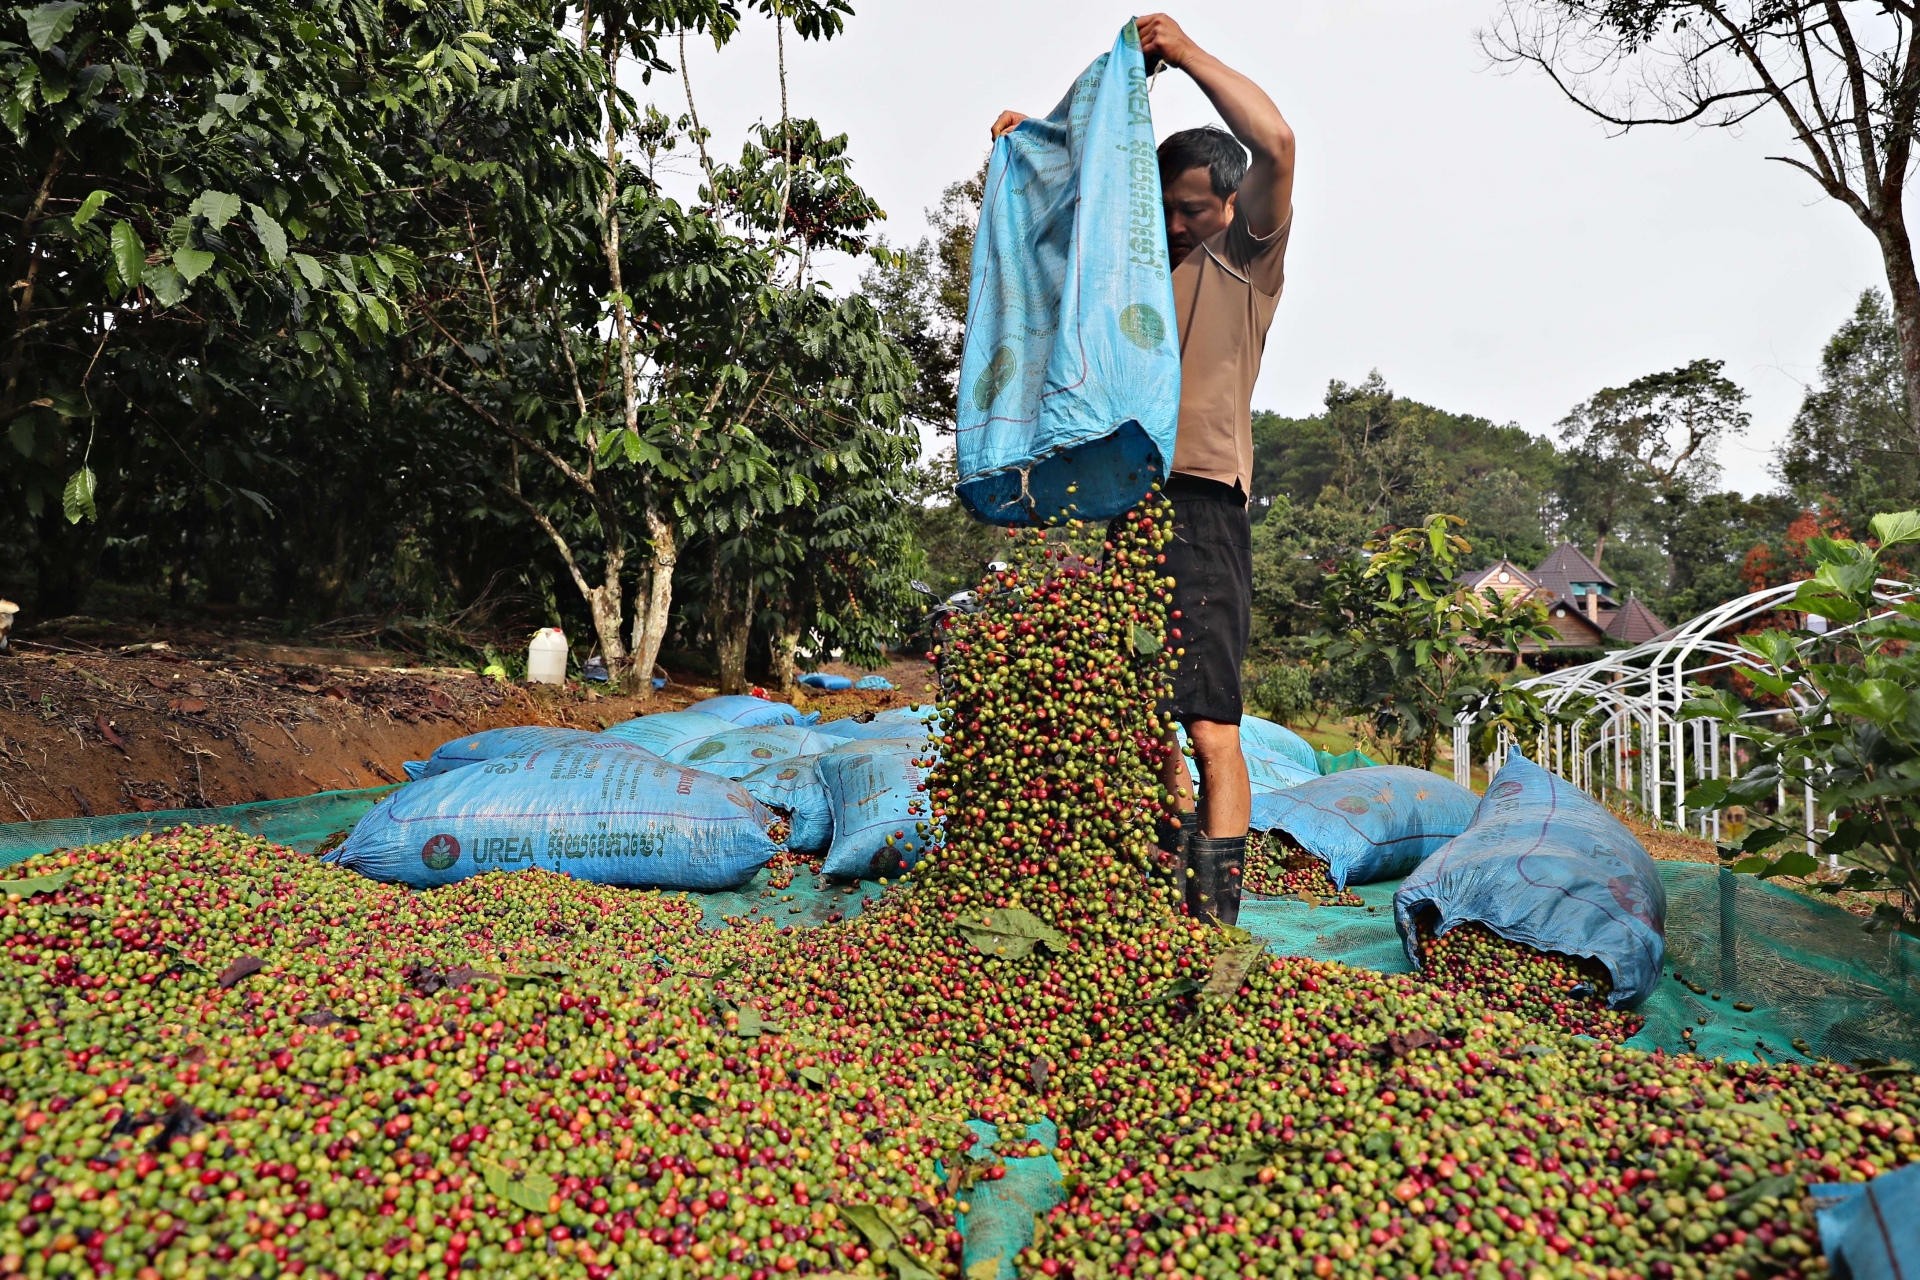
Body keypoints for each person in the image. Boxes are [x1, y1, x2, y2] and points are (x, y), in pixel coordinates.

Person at [991, 13, 1295, 926]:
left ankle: (1215, 926)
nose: (1173, 224)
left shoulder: (1248, 259)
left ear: (1232, 208)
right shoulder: (1137, 275)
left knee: (1209, 725)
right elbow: (1064, 232)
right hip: (1132, 502)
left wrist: (1184, 55)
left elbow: (1275, 140)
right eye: (1162, 208)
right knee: (1135, 710)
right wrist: (1031, 150)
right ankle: (1155, 896)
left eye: (1191, 209)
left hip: (1203, 504)